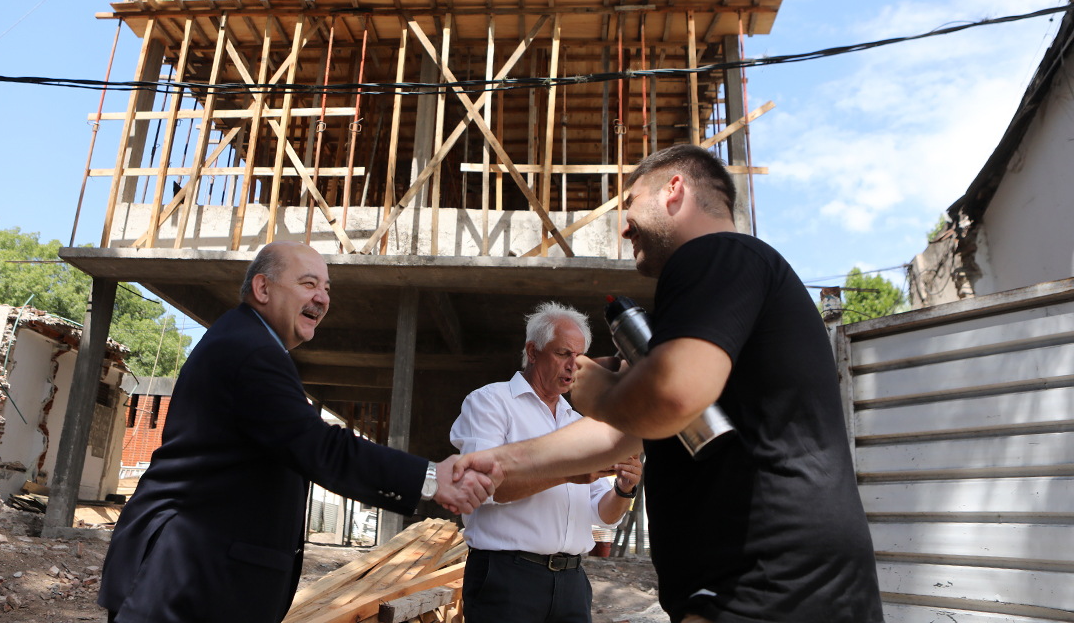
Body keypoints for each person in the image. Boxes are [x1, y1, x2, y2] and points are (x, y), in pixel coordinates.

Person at [454, 145, 883, 623]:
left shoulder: (715, 253)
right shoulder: (721, 293)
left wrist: (600, 393)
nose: (623, 224)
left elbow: (668, 395)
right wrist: (497, 462)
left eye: (631, 202)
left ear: (674, 189)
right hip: (760, 579)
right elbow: (622, 432)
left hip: (769, 577)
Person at [99, 241, 497, 623]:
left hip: (200, 583)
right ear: (262, 288)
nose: (322, 298)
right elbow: (321, 447)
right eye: (308, 284)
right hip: (180, 585)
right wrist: (430, 478)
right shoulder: (251, 351)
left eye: (326, 288)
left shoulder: (246, 342)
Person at [449, 302, 643, 623]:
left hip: (572, 582)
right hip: (508, 578)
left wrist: (624, 490)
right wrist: (568, 473)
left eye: (579, 357)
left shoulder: (579, 422)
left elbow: (602, 515)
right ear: (533, 351)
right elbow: (483, 488)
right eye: (562, 353)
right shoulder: (490, 403)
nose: (573, 366)